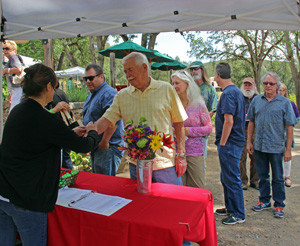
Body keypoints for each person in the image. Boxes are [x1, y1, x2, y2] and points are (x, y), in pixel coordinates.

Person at [0, 63, 98, 246]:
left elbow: (38, 139)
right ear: (47, 87)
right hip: (27, 199)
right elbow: (84, 146)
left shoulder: (17, 111)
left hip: (4, 193)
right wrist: (92, 131)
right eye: (55, 86)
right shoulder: (44, 118)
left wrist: (69, 133)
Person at [95, 52, 188, 185]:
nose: (127, 76)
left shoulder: (166, 89)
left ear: (144, 68)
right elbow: (107, 119)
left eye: (130, 70)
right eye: (125, 71)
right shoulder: (122, 96)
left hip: (165, 164)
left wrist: (181, 155)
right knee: (141, 204)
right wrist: (89, 131)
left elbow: (179, 123)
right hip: (137, 165)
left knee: (172, 203)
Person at [247, 72, 296, 218]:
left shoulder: (285, 103)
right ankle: (264, 200)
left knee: (278, 178)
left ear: (277, 86)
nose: (268, 86)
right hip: (259, 146)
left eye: (271, 84)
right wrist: (249, 141)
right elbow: (251, 122)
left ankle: (279, 204)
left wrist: (288, 150)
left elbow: (289, 127)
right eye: (265, 83)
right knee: (263, 176)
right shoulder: (256, 100)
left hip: (276, 147)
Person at [214, 63, 246, 225]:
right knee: (225, 176)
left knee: (232, 177)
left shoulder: (228, 94)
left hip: (230, 143)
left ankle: (238, 213)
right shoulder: (235, 91)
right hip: (234, 142)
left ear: (218, 75)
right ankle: (230, 207)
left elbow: (229, 121)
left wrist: (223, 143)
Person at [171, 70, 212, 188]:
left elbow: (208, 127)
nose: (174, 86)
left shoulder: (199, 104)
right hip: (177, 152)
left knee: (197, 187)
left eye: (177, 83)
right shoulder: (172, 104)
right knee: (180, 188)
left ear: (187, 84)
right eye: (173, 83)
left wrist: (189, 131)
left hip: (195, 153)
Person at [83, 64, 124, 176]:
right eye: (85, 79)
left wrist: (105, 141)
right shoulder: (92, 94)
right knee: (98, 184)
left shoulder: (109, 94)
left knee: (105, 187)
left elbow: (114, 119)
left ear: (101, 77)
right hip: (97, 147)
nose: (87, 81)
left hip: (107, 148)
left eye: (91, 78)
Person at [189, 61, 218, 174]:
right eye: (191, 69)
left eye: (196, 68)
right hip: (186, 129)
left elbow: (212, 109)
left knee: (201, 159)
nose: (193, 71)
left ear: (202, 70)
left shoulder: (209, 89)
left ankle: (200, 185)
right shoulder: (188, 88)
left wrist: (200, 122)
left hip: (201, 131)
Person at [46, 83, 74, 169]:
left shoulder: (49, 96)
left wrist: (54, 110)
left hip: (56, 133)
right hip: (66, 130)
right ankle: (69, 178)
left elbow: (44, 116)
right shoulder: (61, 93)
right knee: (66, 158)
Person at [239, 77, 259, 190]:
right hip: (242, 129)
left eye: (249, 85)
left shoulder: (259, 98)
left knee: (255, 156)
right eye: (245, 85)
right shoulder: (240, 98)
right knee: (241, 156)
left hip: (255, 129)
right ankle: (243, 181)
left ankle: (255, 181)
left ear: (254, 86)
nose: (247, 87)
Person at [278, 83, 300, 187]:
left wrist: (289, 123)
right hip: (276, 133)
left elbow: (296, 117)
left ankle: (287, 177)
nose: (280, 92)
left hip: (287, 132)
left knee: (287, 154)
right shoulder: (274, 103)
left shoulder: (291, 104)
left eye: (282, 90)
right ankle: (278, 176)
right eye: (279, 90)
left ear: (285, 91)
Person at [2, 40, 24, 112]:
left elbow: (18, 69)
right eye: (3, 49)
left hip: (18, 88)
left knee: (14, 111)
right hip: (16, 89)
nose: (5, 51)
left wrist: (6, 70)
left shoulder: (13, 56)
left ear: (13, 49)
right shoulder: (12, 58)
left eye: (7, 48)